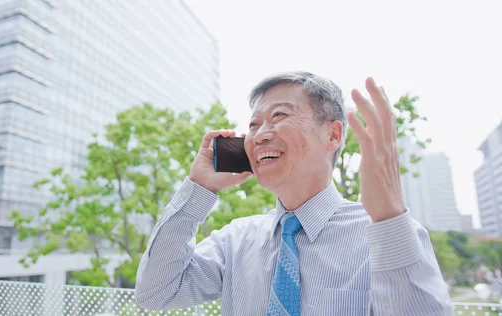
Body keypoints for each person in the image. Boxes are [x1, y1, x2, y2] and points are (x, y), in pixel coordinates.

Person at [134, 71, 453, 315]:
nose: (259, 136)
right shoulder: (236, 240)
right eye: (254, 125)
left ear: (333, 134)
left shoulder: (387, 234)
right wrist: (197, 190)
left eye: (279, 116)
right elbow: (155, 293)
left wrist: (388, 217)